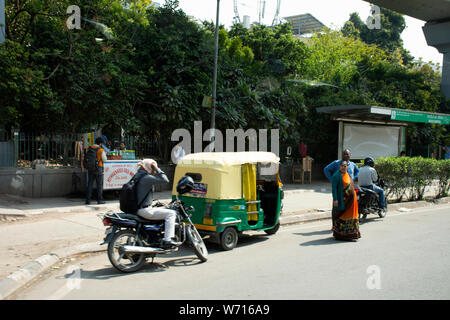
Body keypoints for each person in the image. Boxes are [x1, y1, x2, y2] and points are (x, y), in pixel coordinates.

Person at [135, 159, 180, 248]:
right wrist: (157, 168)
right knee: (171, 214)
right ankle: (167, 240)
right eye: (153, 168)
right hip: (144, 210)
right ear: (149, 167)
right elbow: (165, 180)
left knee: (160, 211)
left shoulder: (138, 175)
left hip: (137, 208)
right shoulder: (146, 178)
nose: (154, 171)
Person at [331, 160, 361, 241]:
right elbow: (334, 189)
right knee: (341, 215)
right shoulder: (336, 176)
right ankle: (340, 235)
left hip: (351, 201)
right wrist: (335, 199)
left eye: (345, 166)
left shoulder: (347, 174)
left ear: (347, 167)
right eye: (342, 166)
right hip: (342, 201)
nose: (343, 167)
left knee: (352, 216)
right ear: (339, 166)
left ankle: (352, 234)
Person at [85, 137, 107, 205]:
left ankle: (88, 200)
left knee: (90, 184)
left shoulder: (89, 148)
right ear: (100, 143)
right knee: (99, 185)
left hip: (90, 168)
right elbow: (104, 160)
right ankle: (99, 200)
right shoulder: (101, 150)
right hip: (98, 168)